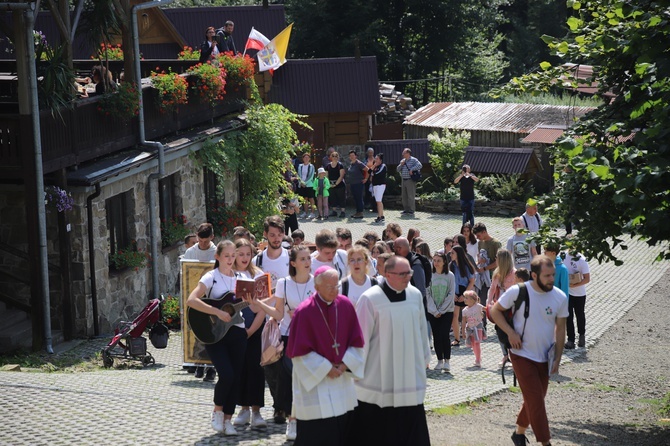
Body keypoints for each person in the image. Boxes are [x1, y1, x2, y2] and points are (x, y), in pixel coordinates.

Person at [351, 255, 431, 446]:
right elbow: (359, 340)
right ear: (387, 274)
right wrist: (354, 371)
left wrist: (424, 359)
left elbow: (421, 331)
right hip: (378, 379)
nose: (408, 277)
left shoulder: (415, 295)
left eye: (409, 272)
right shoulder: (370, 299)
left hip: (409, 380)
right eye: (402, 273)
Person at [489, 256, 568, 446]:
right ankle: (546, 442)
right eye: (547, 275)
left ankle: (518, 433)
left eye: (553, 275)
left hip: (544, 357)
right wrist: (510, 333)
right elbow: (495, 311)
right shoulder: (517, 291)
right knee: (536, 400)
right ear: (534, 275)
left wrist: (558, 357)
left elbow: (561, 329)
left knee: (536, 398)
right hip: (520, 354)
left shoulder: (560, 297)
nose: (551, 279)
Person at [286, 266, 365, 445]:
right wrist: (326, 368)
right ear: (317, 287)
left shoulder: (345, 305)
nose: (334, 290)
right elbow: (299, 353)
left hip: (342, 380)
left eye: (336, 285)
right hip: (316, 385)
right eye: (329, 286)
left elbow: (357, 341)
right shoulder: (304, 311)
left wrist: (345, 364)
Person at [251, 245, 315, 440]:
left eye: (308, 259)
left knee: (306, 380)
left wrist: (304, 314)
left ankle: (306, 419)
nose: (307, 262)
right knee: (289, 376)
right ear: (293, 263)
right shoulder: (284, 284)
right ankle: (292, 420)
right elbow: (279, 313)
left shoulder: (316, 283)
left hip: (310, 338)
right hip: (288, 336)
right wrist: (259, 303)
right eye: (303, 259)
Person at [186, 241, 246, 435]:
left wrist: (256, 300)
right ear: (217, 257)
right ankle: (217, 411)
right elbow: (192, 300)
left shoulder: (241, 278)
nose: (230, 260)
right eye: (226, 256)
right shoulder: (211, 277)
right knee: (226, 374)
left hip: (237, 331)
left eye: (232, 256)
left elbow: (250, 305)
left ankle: (229, 419)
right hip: (215, 334)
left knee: (236, 376)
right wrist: (216, 312)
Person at [232, 239, 267, 429]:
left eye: (248, 254)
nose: (245, 258)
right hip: (235, 328)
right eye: (241, 254)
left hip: (255, 327)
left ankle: (256, 411)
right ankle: (243, 408)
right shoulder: (229, 275)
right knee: (240, 368)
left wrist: (252, 330)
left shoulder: (259, 274)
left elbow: (263, 307)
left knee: (255, 369)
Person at [183, 223, 218, 381]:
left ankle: (211, 368)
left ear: (212, 237)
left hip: (213, 298)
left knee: (212, 332)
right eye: (200, 240)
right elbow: (186, 275)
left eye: (206, 241)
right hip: (196, 297)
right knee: (198, 331)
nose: (202, 244)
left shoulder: (217, 252)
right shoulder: (190, 252)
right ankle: (199, 363)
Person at [487, 249, 517, 367]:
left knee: (512, 330)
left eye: (497, 258)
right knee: (499, 331)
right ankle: (505, 355)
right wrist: (488, 303)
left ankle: (514, 355)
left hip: (512, 308)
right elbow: (492, 289)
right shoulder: (497, 273)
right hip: (499, 307)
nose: (496, 260)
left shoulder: (514, 274)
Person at [426, 251, 455, 371]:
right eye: (434, 260)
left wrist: (442, 310)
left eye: (439, 260)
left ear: (444, 262)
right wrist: (434, 310)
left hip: (447, 311)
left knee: (444, 334)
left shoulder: (450, 276)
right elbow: (427, 293)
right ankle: (439, 360)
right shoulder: (430, 275)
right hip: (433, 311)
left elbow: (451, 293)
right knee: (436, 336)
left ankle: (447, 360)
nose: (436, 263)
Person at [472, 222, 502, 328]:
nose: (477, 237)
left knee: (496, 300)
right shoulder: (480, 243)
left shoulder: (495, 243)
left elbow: (498, 261)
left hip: (493, 276)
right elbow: (480, 258)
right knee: (482, 298)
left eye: (479, 235)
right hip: (482, 278)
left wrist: (485, 268)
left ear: (484, 232)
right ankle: (482, 324)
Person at [253, 216, 290, 292]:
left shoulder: (291, 258)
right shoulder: (256, 261)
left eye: (279, 235)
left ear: (284, 234)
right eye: (272, 235)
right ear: (265, 234)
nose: (276, 239)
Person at [564, 249, 591, 349]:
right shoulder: (563, 256)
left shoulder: (582, 259)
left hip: (579, 293)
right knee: (568, 316)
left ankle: (582, 335)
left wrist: (575, 285)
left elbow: (587, 278)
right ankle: (570, 339)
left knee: (580, 314)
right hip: (567, 293)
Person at [450, 245, 476, 346]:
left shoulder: (466, 266)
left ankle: (470, 338)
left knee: (469, 316)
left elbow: (471, 281)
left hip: (465, 292)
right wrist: (453, 294)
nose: (450, 255)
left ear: (458, 254)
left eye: (453, 253)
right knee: (454, 316)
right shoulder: (451, 265)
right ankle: (457, 339)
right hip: (455, 292)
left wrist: (465, 295)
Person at [462, 290, 486, 368]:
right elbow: (463, 321)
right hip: (470, 329)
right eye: (464, 298)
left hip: (478, 327)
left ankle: (478, 360)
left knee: (477, 343)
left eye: (466, 298)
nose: (464, 299)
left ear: (472, 299)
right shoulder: (464, 310)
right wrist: (463, 331)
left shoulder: (478, 306)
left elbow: (486, 309)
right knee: (473, 344)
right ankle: (477, 357)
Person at [397, 148, 422, 215]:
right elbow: (398, 169)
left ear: (408, 153)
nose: (402, 154)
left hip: (410, 180)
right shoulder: (403, 161)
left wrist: (412, 169)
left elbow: (420, 165)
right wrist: (401, 164)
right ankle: (406, 209)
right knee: (404, 196)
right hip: (403, 180)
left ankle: (411, 210)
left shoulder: (414, 160)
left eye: (404, 153)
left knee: (411, 196)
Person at [347, 150, 368, 219]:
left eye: (353, 155)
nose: (352, 157)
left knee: (359, 198)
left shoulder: (359, 163)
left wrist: (366, 179)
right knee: (355, 198)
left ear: (355, 156)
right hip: (352, 184)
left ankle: (360, 212)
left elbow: (368, 170)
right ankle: (357, 212)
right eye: (350, 156)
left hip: (358, 184)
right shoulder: (351, 164)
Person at [325, 151, 346, 218]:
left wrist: (336, 184)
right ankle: (334, 211)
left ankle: (343, 212)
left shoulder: (340, 165)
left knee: (341, 198)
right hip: (330, 184)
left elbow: (341, 175)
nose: (334, 157)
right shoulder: (328, 166)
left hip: (340, 185)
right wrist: (329, 184)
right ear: (331, 157)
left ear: (338, 157)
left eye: (336, 156)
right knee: (332, 198)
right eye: (333, 156)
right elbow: (326, 176)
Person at [297, 153, 316, 219]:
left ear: (309, 159)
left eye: (307, 157)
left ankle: (313, 213)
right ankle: (305, 212)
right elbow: (299, 175)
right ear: (303, 158)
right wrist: (301, 182)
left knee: (311, 198)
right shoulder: (300, 166)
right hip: (302, 185)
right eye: (305, 157)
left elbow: (311, 176)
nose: (306, 159)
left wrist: (305, 183)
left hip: (309, 185)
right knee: (305, 199)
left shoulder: (311, 166)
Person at [371, 153, 387, 222]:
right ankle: (382, 215)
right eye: (375, 158)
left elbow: (377, 173)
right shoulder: (375, 166)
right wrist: (374, 165)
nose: (375, 160)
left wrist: (373, 173)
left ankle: (379, 217)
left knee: (378, 201)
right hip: (375, 185)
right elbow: (369, 171)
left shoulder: (383, 166)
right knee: (379, 201)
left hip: (380, 185)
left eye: (377, 159)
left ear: (380, 160)